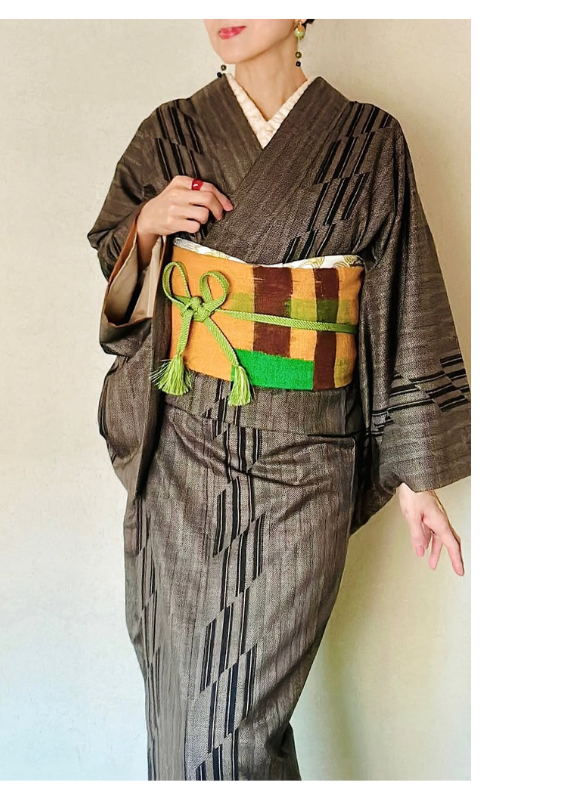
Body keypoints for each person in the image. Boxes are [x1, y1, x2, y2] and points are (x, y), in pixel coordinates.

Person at [86, 19, 471, 781]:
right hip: (183, 453)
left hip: (306, 462)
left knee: (236, 729)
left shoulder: (370, 140)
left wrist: (415, 476)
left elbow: (401, 292)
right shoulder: (169, 132)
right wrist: (146, 227)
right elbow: (116, 263)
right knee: (183, 717)